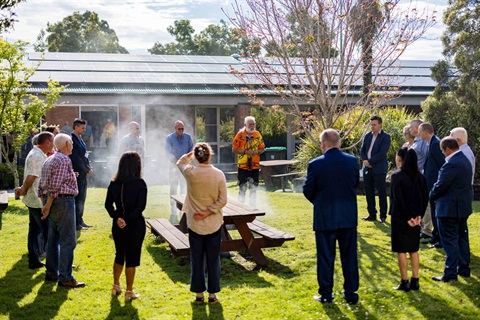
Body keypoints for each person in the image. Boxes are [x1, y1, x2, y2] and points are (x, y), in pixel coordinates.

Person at [303, 129, 360, 305]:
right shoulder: (352, 162)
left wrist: (320, 202)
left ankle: (326, 294)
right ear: (339, 143)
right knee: (349, 256)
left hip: (325, 216)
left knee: (326, 257)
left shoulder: (316, 164)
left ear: (322, 144)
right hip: (347, 215)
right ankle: (350, 293)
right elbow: (355, 185)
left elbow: (308, 190)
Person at [177, 143, 227, 304]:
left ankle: (199, 294)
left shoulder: (190, 172)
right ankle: (212, 295)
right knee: (213, 259)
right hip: (213, 222)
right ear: (210, 155)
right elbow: (223, 200)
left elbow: (180, 162)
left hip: (194, 223)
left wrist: (193, 153)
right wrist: (208, 211)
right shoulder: (219, 174)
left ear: (197, 156)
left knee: (197, 258)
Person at [38, 133, 85, 288]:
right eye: (71, 143)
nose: (72, 145)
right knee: (68, 240)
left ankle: (51, 272)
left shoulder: (50, 158)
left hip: (52, 203)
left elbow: (42, 184)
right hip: (63, 202)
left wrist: (45, 204)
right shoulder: (64, 159)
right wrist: (49, 204)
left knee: (53, 240)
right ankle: (65, 277)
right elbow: (55, 185)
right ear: (66, 144)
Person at [105, 152, 147, 301]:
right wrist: (127, 219)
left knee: (119, 254)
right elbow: (140, 207)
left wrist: (118, 217)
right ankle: (129, 291)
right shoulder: (140, 184)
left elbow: (108, 205)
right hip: (135, 224)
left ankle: (116, 285)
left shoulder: (114, 183)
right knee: (132, 257)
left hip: (118, 224)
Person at [430, 137, 472, 282]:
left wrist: (431, 195)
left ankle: (450, 272)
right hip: (462, 207)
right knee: (461, 239)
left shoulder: (451, 164)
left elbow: (440, 185)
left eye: (442, 151)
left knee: (450, 240)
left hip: (449, 208)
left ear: (448, 149)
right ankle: (464, 268)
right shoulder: (465, 159)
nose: (443, 154)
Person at [389, 148, 428, 292]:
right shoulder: (421, 178)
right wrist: (419, 216)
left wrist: (408, 218)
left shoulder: (397, 176)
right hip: (416, 218)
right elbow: (425, 198)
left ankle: (404, 281)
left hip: (400, 217)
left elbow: (398, 199)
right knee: (413, 249)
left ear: (400, 158)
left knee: (401, 250)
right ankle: (415, 280)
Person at [15, 132, 54, 269]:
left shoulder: (36, 153)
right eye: (52, 141)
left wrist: (23, 189)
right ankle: (54, 263)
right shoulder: (37, 156)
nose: (54, 144)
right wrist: (23, 189)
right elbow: (31, 176)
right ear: (47, 142)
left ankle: (33, 260)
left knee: (35, 231)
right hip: (37, 201)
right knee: (48, 232)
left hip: (33, 200)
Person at [418, 123, 445, 248]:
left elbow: (442, 164)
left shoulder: (435, 143)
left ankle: (439, 238)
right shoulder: (431, 142)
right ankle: (435, 236)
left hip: (434, 182)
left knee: (435, 210)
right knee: (433, 210)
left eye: (420, 131)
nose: (418, 134)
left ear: (425, 132)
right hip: (430, 181)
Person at [360, 115, 391, 223]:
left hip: (379, 168)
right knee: (369, 191)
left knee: (381, 192)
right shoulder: (368, 136)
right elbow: (362, 150)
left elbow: (382, 153)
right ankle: (372, 214)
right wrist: (365, 161)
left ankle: (383, 216)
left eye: (374, 125)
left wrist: (370, 161)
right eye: (371, 124)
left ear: (380, 124)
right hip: (367, 168)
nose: (372, 127)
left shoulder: (386, 136)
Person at [232, 116, 265, 207]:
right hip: (243, 166)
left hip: (255, 166)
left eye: (253, 124)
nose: (252, 126)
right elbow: (234, 149)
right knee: (242, 187)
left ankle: (252, 206)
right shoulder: (240, 135)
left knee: (253, 188)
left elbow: (262, 148)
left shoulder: (257, 134)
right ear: (245, 125)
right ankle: (240, 207)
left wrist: (257, 152)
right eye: (250, 124)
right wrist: (245, 152)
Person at [165, 120, 194, 223]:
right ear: (175, 128)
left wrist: (187, 159)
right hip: (174, 166)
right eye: (179, 129)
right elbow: (168, 152)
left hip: (185, 166)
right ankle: (173, 212)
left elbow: (191, 149)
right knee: (173, 189)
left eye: (182, 129)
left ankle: (183, 211)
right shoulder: (169, 138)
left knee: (184, 189)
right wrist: (177, 160)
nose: (181, 131)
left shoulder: (188, 137)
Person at [409, 119, 431, 240]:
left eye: (412, 127)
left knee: (425, 204)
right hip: (414, 177)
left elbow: (425, 158)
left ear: (418, 128)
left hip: (421, 177)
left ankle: (427, 230)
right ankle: (421, 227)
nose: (410, 129)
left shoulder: (423, 143)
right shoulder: (416, 141)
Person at [70, 119, 94, 231]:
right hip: (78, 173)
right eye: (82, 128)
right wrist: (86, 169)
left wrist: (89, 168)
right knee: (78, 198)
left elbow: (84, 156)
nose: (84, 130)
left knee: (82, 197)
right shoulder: (72, 139)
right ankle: (75, 223)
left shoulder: (80, 139)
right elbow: (76, 158)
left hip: (83, 173)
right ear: (76, 127)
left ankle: (80, 220)